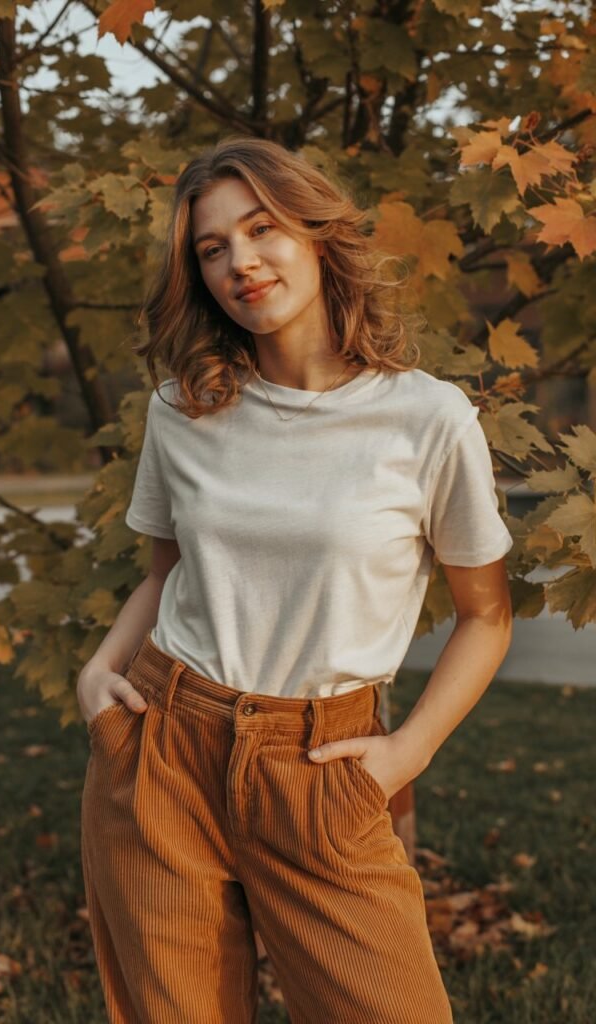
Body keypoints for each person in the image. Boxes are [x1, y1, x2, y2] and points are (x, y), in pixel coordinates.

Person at [77, 135, 514, 1024]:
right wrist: (99, 674)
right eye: (211, 248)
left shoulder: (427, 417)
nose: (240, 261)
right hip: (163, 749)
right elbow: (167, 573)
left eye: (261, 228)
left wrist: (407, 754)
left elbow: (488, 615)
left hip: (324, 765)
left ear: (316, 234)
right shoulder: (184, 408)